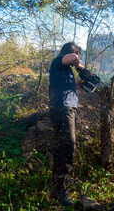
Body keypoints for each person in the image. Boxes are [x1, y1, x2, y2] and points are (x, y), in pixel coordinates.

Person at [49, 42, 83, 206]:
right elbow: (74, 57)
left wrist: (76, 86)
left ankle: (60, 184)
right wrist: (79, 65)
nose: (77, 59)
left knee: (64, 145)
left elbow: (66, 87)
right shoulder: (58, 60)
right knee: (68, 145)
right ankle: (59, 189)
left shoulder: (64, 70)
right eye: (77, 55)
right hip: (63, 109)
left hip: (67, 109)